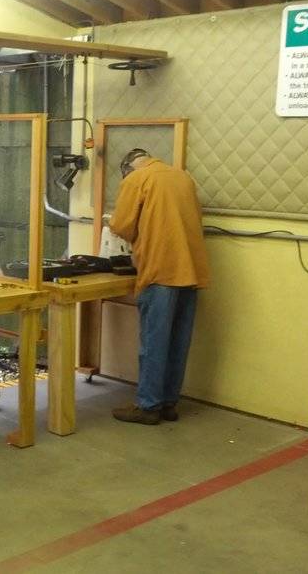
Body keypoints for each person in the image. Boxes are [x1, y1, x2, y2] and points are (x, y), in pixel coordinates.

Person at [108, 148, 210, 425]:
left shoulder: (136, 179)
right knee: (178, 340)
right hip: (191, 270)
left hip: (160, 270)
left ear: (128, 168)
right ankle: (168, 403)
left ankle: (148, 406)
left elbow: (122, 225)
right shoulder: (182, 178)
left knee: (154, 342)